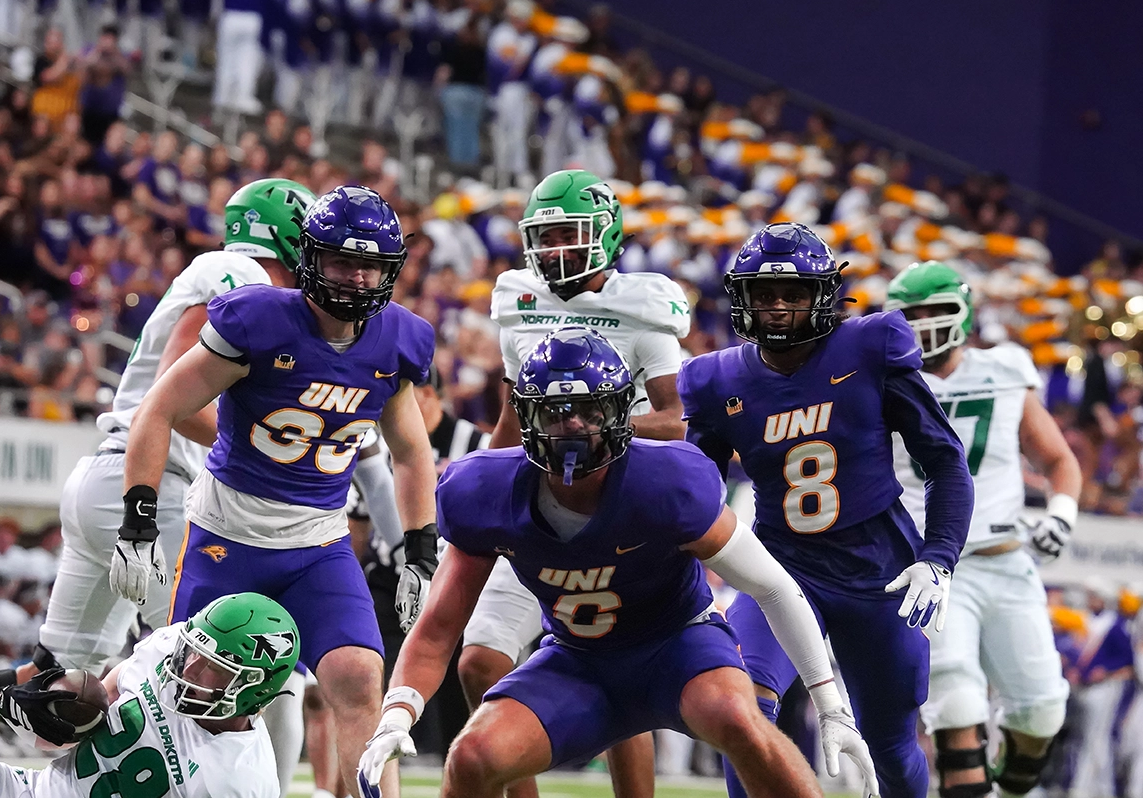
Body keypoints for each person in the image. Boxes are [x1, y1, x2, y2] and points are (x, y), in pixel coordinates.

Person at [357, 327, 879, 798]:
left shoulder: (667, 481)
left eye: (588, 411)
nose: (572, 427)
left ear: (619, 412)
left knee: (738, 719)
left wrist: (830, 704)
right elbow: (440, 625)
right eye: (556, 412)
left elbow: (774, 587)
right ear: (527, 416)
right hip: (577, 660)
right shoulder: (484, 489)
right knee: (472, 757)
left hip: (678, 648)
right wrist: (399, 710)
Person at [118, 184, 438, 798]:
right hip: (228, 537)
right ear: (310, 258)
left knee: (359, 677)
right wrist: (138, 522)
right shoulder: (258, 320)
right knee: (195, 697)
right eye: (342, 261)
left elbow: (410, 450)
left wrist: (420, 549)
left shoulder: (398, 339)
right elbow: (159, 408)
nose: (357, 278)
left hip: (319, 543)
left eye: (370, 265)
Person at [32, 177, 314, 793]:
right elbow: (174, 395)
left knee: (54, 678)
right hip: (149, 485)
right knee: (234, 660)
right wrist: (267, 453)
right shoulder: (242, 274)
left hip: (105, 479)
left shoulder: (233, 277)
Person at [677, 223, 975, 798]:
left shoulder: (870, 346)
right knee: (743, 710)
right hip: (780, 569)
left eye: (793, 293)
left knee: (890, 745)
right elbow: (696, 495)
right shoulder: (716, 379)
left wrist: (938, 557)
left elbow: (943, 459)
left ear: (823, 295)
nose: (778, 306)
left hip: (881, 573)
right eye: (764, 293)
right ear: (741, 298)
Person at [466, 168, 690, 798]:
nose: (556, 249)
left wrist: (598, 428)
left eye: (569, 233)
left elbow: (678, 418)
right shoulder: (518, 302)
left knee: (619, 677)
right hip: (534, 504)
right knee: (480, 661)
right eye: (546, 236)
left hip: (617, 508)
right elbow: (513, 416)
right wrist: (482, 484)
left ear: (607, 234)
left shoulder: (641, 307)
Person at [884, 261, 1081, 798]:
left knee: (1042, 713)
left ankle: (1008, 785)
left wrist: (1061, 513)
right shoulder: (882, 378)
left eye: (935, 312)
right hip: (931, 568)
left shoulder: (1006, 368)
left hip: (1006, 559)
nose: (923, 326)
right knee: (958, 707)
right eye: (911, 315)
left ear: (964, 314)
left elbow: (1057, 459)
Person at [0, 592, 299, 798]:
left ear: (255, 687)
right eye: (193, 651)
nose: (189, 669)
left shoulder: (242, 781)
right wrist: (53, 716)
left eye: (213, 667)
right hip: (28, 790)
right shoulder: (168, 648)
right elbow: (102, 704)